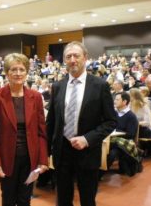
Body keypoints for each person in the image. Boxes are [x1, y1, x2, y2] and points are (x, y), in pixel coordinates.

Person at [46, 41, 117, 206]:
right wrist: (45, 151)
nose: (72, 60)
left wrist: (87, 139)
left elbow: (111, 121)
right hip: (62, 151)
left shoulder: (100, 86)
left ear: (85, 58)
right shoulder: (58, 86)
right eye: (68, 56)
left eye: (76, 56)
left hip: (87, 152)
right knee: (62, 199)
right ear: (64, 60)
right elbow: (51, 122)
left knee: (87, 199)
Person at [0, 53, 48, 206]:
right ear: (7, 73)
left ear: (27, 72)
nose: (18, 73)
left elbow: (41, 132)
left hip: (29, 159)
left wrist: (42, 159)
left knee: (25, 200)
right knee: (8, 199)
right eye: (13, 69)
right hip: (7, 158)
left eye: (21, 69)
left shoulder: (36, 97)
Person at [106, 92, 139, 174]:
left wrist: (116, 133)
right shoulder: (114, 113)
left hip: (124, 142)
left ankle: (100, 174)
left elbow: (131, 134)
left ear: (124, 102)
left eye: (117, 99)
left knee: (113, 153)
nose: (114, 101)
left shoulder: (131, 116)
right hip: (112, 139)